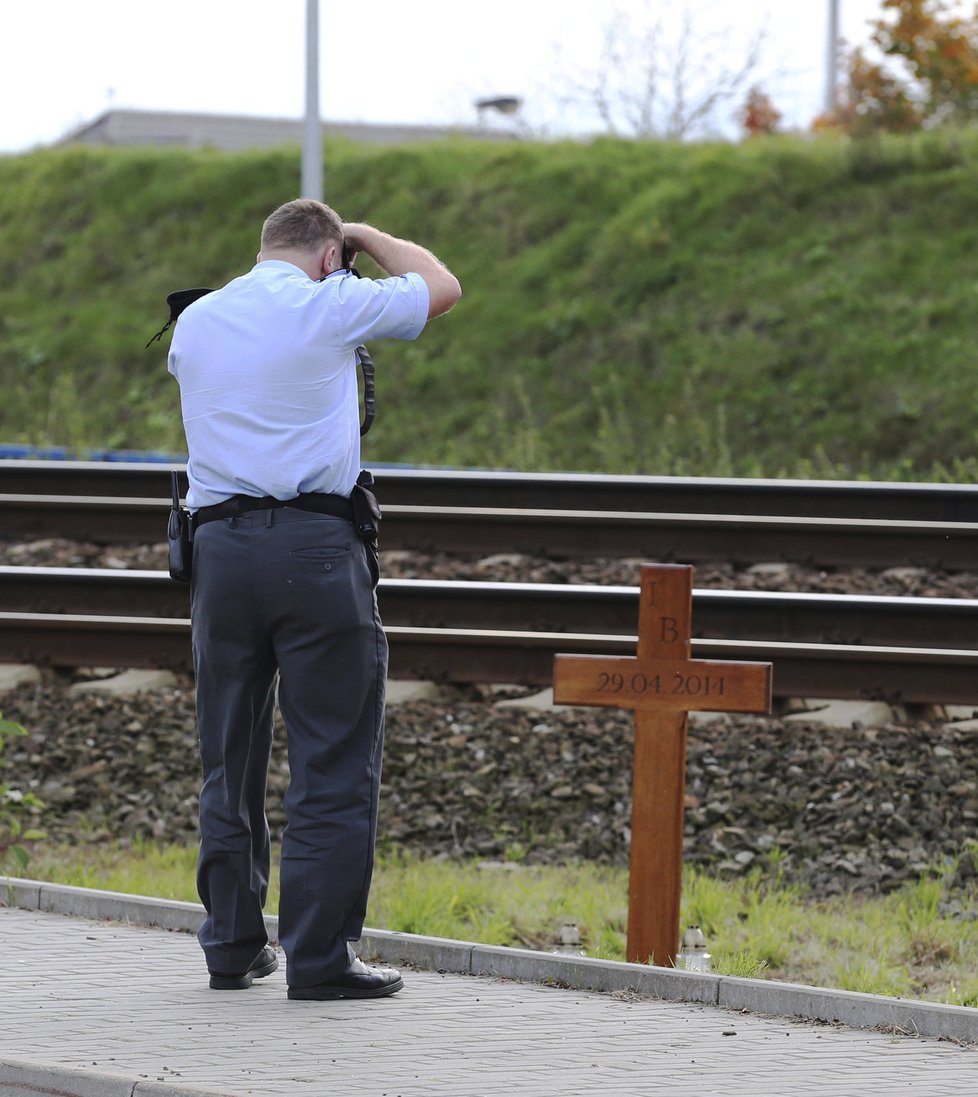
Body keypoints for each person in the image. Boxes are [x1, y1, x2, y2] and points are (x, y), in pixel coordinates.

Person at [167, 198, 461, 1001]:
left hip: (218, 555)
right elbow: (440, 286)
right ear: (330, 256)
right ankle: (321, 959)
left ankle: (230, 945)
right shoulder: (331, 304)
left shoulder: (196, 320)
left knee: (228, 754)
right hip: (314, 552)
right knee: (332, 756)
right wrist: (370, 237)